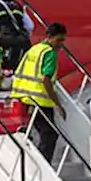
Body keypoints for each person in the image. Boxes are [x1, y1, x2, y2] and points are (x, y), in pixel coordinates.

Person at [11, 23, 68, 164]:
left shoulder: (34, 50)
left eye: (63, 41)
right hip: (40, 100)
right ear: (49, 37)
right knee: (50, 135)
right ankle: (42, 164)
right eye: (59, 40)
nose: (61, 45)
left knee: (42, 133)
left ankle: (37, 162)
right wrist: (57, 103)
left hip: (25, 97)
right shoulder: (50, 53)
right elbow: (45, 79)